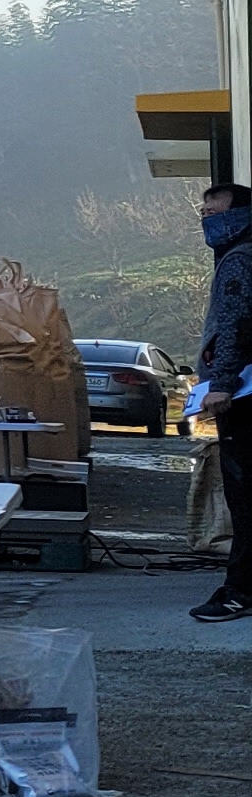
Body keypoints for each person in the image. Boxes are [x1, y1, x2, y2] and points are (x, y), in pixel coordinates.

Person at [187, 182, 252, 625]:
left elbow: (235, 324)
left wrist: (222, 383)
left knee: (245, 496)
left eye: (216, 210)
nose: (208, 216)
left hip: (246, 395)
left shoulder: (239, 261)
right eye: (204, 210)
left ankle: (240, 592)